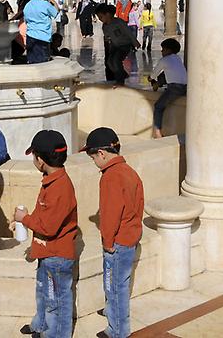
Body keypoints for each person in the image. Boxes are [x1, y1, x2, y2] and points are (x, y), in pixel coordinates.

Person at [80, 127, 144, 338]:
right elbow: (137, 205)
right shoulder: (129, 172)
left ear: (102, 153)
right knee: (120, 283)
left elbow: (109, 215)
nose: (94, 162)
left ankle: (117, 330)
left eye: (92, 158)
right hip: (131, 238)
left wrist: (108, 242)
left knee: (114, 286)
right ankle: (111, 311)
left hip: (117, 242)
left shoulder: (110, 177)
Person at [14, 130, 78, 338]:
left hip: (57, 256)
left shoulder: (59, 187)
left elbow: (48, 228)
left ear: (40, 160)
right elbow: (44, 216)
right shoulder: (51, 180)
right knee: (43, 292)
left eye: (34, 156)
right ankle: (40, 325)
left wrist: (24, 218)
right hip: (47, 252)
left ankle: (56, 334)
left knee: (56, 301)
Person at [149, 38, 187, 139]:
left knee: (158, 107)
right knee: (164, 74)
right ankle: (157, 84)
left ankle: (157, 132)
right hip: (186, 87)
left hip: (175, 88)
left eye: (163, 49)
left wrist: (150, 79)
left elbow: (153, 74)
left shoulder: (164, 60)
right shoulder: (178, 58)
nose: (161, 51)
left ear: (169, 50)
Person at [96, 4, 140, 85]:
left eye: (101, 17)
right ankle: (122, 74)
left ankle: (120, 81)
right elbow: (107, 36)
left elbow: (128, 32)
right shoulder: (104, 26)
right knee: (110, 62)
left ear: (108, 14)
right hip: (114, 46)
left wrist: (135, 42)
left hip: (124, 45)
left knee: (116, 60)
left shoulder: (119, 22)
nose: (100, 19)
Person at [23, 0, 60, 64]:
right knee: (42, 63)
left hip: (30, 37)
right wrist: (55, 4)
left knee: (32, 61)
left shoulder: (27, 5)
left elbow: (26, 20)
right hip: (43, 38)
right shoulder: (45, 5)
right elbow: (55, 13)